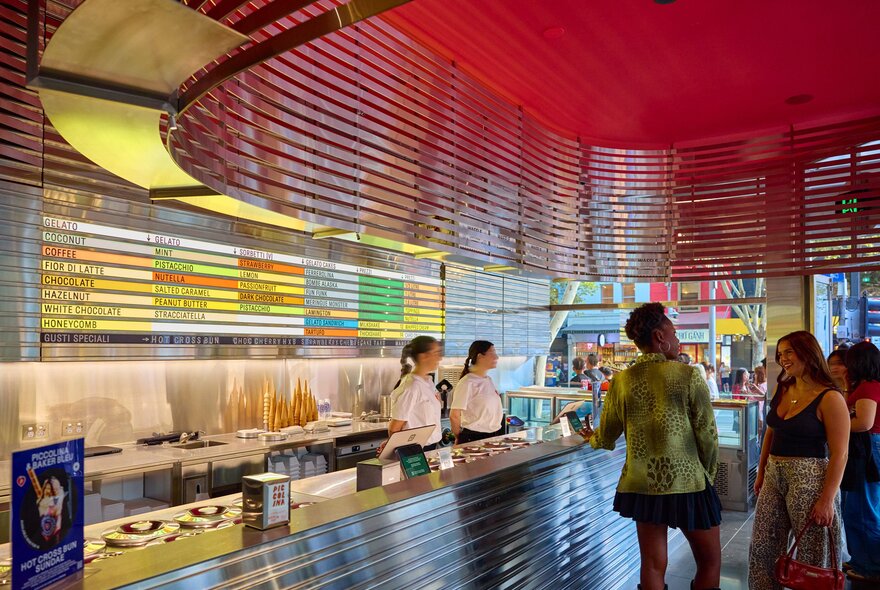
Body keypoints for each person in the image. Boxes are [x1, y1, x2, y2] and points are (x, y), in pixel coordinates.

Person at [582, 303, 721, 590]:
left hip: (642, 484)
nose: (678, 338)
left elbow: (606, 437)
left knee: (653, 565)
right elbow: (707, 433)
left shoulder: (620, 381)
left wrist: (591, 437)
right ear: (660, 336)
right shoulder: (689, 375)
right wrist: (708, 474)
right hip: (688, 481)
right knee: (709, 561)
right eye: (675, 331)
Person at [748, 331, 849, 590]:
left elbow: (840, 453)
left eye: (789, 352)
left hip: (811, 475)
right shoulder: (784, 387)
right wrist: (761, 472)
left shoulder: (830, 396)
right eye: (780, 354)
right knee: (763, 544)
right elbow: (771, 432)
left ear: (808, 352)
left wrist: (826, 500)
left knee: (813, 552)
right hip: (774, 472)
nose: (783, 359)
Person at [840, 341, 880, 582]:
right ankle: (861, 559)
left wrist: (835, 428)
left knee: (863, 509)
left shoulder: (868, 388)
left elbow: (863, 423)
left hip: (867, 450)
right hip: (867, 449)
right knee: (859, 507)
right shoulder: (867, 386)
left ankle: (871, 566)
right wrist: (846, 385)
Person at [386, 335, 443, 451]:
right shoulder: (412, 386)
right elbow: (394, 428)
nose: (439, 358)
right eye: (436, 353)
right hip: (416, 450)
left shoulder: (428, 382)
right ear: (423, 357)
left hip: (432, 447)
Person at [449, 341, 504, 444]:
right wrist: (459, 438)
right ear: (480, 356)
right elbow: (454, 415)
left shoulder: (488, 380)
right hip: (474, 438)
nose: (496, 357)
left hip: (493, 436)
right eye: (492, 353)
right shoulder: (467, 382)